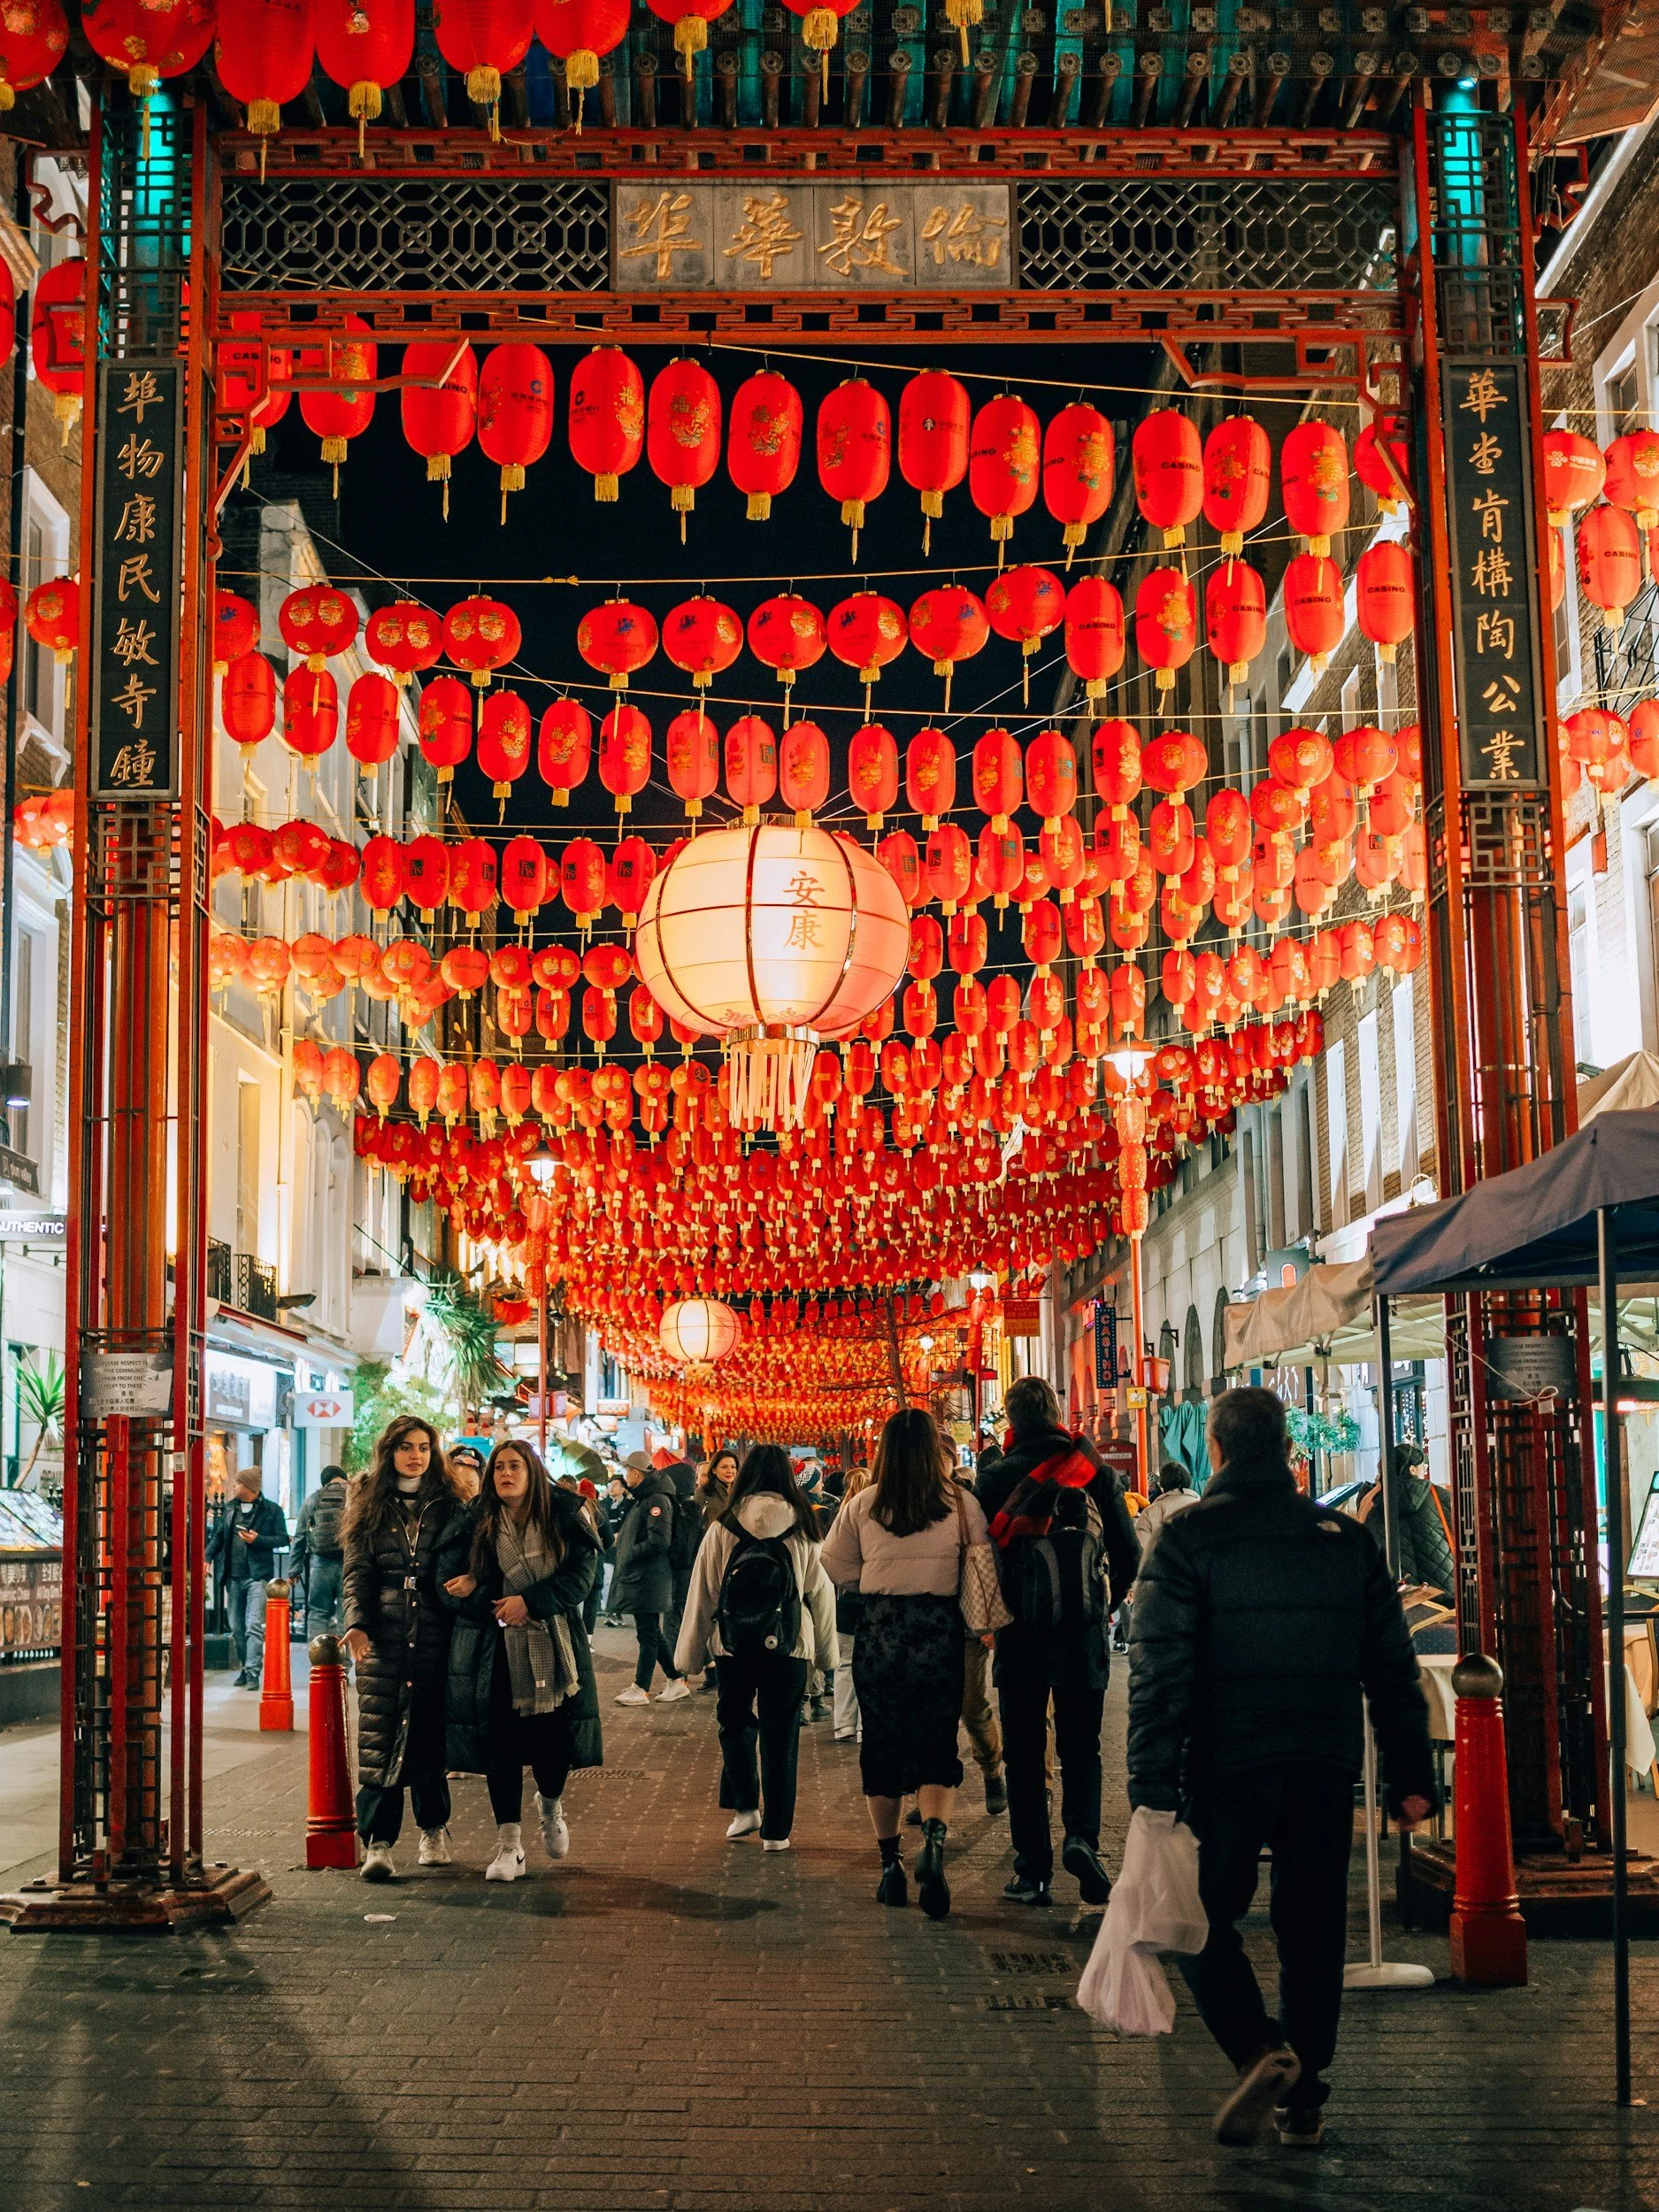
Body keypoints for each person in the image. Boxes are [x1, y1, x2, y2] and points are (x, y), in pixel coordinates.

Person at [1128, 1386, 1437, 2150]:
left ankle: (1260, 2049)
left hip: (1224, 1762)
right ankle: (1306, 2094)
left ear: (1219, 1449)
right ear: (1289, 1452)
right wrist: (1409, 1775)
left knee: (1196, 1920)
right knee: (1312, 1926)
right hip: (1322, 1760)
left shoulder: (1186, 1539)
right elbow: (1392, 1668)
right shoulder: (1342, 1538)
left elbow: (1159, 1671)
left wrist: (1151, 1785)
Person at [976, 1374, 1140, 1909]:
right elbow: (1129, 1552)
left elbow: (981, 1559)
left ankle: (1033, 1871)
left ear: (1012, 1421)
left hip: (1019, 1631)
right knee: (1081, 1747)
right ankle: (1081, 1840)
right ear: (1055, 1412)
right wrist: (1101, 1606)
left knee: (1024, 1753)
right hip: (1081, 1630)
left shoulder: (994, 1476)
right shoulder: (1092, 1470)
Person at [821, 1409, 988, 1919]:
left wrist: (870, 1578)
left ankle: (890, 1865)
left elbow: (833, 1562)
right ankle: (933, 1845)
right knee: (938, 1739)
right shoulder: (962, 1504)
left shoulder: (864, 1503)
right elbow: (981, 1562)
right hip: (939, 1630)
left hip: (882, 1630)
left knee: (883, 1743)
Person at [437, 1440, 603, 1882]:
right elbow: (446, 1584)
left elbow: (582, 1577)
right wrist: (486, 1595)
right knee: (501, 1746)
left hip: (554, 1644)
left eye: (516, 1467)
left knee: (553, 1745)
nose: (506, 1474)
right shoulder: (476, 1521)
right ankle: (509, 1845)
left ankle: (550, 1804)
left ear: (533, 1472)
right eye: (499, 1468)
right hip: (496, 1650)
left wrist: (529, 1602)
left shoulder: (564, 1515)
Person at [675, 1444, 837, 1852]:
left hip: (734, 1645)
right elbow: (821, 1594)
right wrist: (826, 1654)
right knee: (782, 1735)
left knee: (734, 1723)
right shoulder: (804, 1527)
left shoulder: (724, 1526)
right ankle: (778, 1832)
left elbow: (704, 1594)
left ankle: (746, 1806)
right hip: (790, 1646)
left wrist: (689, 1657)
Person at [342, 1416, 466, 1881]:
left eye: (423, 1447)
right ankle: (378, 1842)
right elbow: (356, 1571)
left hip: (438, 1630)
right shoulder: (368, 1500)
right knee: (380, 1739)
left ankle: (433, 1830)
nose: (415, 1455)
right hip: (384, 1635)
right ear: (389, 1451)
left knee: (431, 1737)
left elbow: (472, 1559)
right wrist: (357, 1623)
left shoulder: (451, 1503)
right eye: (405, 1447)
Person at [609, 1449, 689, 1706]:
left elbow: (659, 1541)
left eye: (626, 1471)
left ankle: (641, 1688)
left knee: (647, 1634)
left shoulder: (656, 1500)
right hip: (644, 1578)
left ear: (635, 1472)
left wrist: (630, 1551)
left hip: (649, 1578)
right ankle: (676, 1681)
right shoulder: (647, 1497)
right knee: (652, 1631)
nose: (624, 1476)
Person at [211, 1469, 289, 1689]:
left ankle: (253, 1672)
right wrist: (206, 1557)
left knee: (253, 1625)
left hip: (258, 1576)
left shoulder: (271, 1510)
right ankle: (246, 1667)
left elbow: (283, 1538)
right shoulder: (229, 1508)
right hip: (233, 1576)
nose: (234, 1486)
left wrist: (258, 1540)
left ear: (249, 1487)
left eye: (237, 1483)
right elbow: (219, 1536)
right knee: (236, 1627)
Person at [288, 1463, 349, 1642]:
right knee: (346, 1614)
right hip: (349, 1565)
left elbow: (300, 1536)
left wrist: (294, 1570)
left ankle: (318, 1661)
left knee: (318, 1613)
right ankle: (342, 1666)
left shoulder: (314, 1499)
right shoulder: (356, 1497)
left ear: (325, 1482)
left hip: (320, 1564)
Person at [1136, 1460, 1202, 1559]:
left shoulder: (1150, 1512)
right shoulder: (1204, 1508)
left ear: (1162, 1485)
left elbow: (1143, 1546)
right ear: (1188, 1481)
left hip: (1164, 1570)